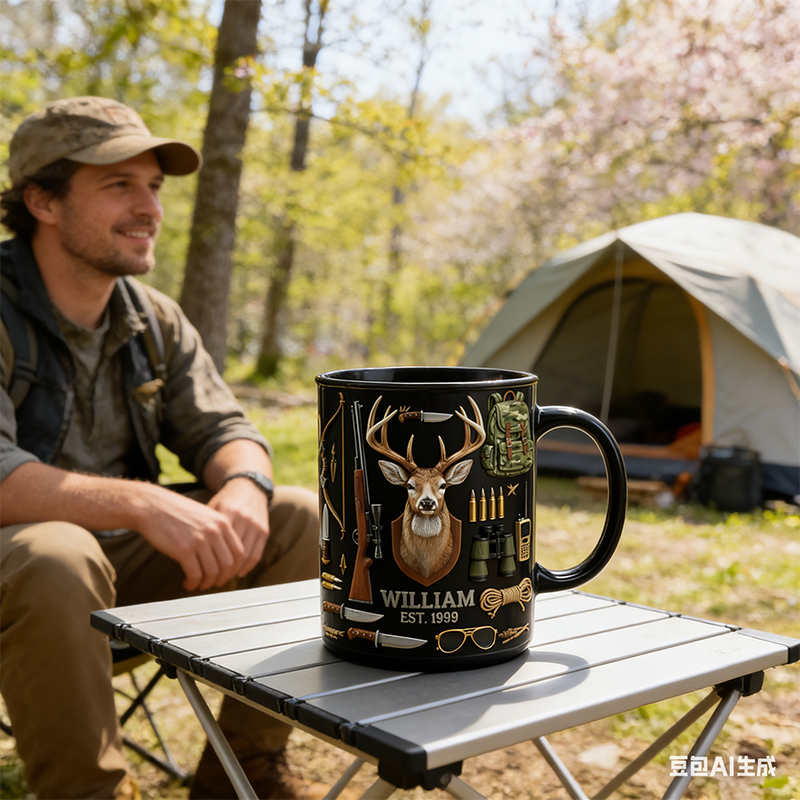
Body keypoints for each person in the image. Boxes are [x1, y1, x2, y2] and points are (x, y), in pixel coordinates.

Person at [0, 97, 324, 800]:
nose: (150, 207)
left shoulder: (153, 319)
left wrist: (243, 485)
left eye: (154, 187)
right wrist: (145, 503)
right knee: (58, 552)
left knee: (297, 514)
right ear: (42, 201)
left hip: (108, 567)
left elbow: (227, 432)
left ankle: (243, 770)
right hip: (27, 573)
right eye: (119, 185)